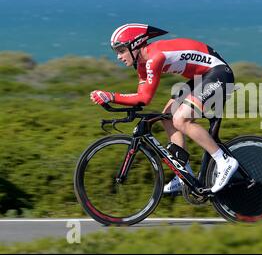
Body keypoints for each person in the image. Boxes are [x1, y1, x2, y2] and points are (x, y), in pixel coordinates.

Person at [90, 23, 238, 194]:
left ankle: (224, 160)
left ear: (136, 44)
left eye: (121, 50)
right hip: (202, 77)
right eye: (117, 52)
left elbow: (145, 98)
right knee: (167, 117)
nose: (119, 57)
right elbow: (141, 96)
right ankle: (184, 173)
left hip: (218, 74)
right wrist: (112, 99)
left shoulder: (155, 58)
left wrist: (112, 96)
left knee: (181, 119)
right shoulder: (142, 65)